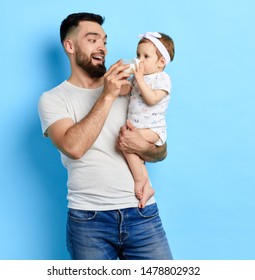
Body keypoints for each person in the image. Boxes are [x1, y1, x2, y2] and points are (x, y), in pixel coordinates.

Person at [38, 12, 172, 260]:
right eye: (92, 40)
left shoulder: (130, 88)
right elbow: (74, 146)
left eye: (104, 41)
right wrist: (107, 95)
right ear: (69, 46)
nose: (102, 48)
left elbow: (160, 152)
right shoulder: (53, 99)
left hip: (141, 212)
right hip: (89, 220)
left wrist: (141, 145)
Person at [121, 32, 175, 208]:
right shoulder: (138, 78)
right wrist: (120, 79)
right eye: (138, 55)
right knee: (133, 150)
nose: (139, 60)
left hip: (154, 129)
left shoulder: (163, 79)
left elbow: (151, 98)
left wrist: (138, 78)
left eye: (145, 56)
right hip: (136, 126)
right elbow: (125, 92)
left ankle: (139, 180)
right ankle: (147, 188)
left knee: (126, 144)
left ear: (161, 63)